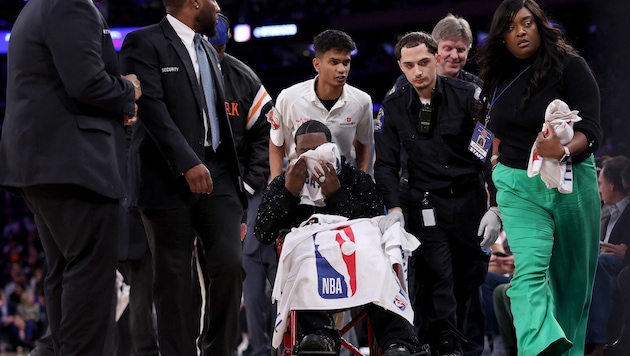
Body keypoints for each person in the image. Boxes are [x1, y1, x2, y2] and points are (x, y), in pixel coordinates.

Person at [0, 0, 141, 354]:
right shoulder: (69, 4)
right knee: (91, 278)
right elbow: (87, 82)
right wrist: (129, 91)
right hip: (75, 164)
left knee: (66, 272)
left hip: (46, 164)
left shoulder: (37, 6)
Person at [119, 0, 247, 354]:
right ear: (193, 3)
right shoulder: (143, 42)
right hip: (166, 173)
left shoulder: (206, 47)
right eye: (212, 0)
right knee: (174, 279)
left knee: (229, 264)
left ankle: (217, 349)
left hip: (217, 170)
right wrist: (187, 162)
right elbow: (152, 109)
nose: (218, 6)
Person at [476, 0, 602, 355]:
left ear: (539, 26)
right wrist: (497, 182)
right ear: (502, 36)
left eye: (527, 23)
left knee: (573, 286)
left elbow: (592, 129)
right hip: (517, 185)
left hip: (571, 180)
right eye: (512, 27)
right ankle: (537, 348)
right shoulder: (496, 78)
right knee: (529, 271)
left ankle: (568, 350)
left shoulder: (570, 66)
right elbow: (490, 134)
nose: (521, 31)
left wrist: (561, 150)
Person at [374, 31, 501, 356]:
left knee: (470, 278)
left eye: (424, 62)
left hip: (470, 202)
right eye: (410, 65)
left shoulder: (468, 95)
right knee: (438, 278)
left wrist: (496, 206)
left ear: (437, 60)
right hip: (425, 205)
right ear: (401, 66)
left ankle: (466, 346)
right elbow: (385, 164)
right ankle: (448, 347)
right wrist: (395, 209)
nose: (418, 71)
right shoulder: (393, 106)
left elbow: (486, 153)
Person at [255, 121, 420, 356]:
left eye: (320, 147)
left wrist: (337, 195)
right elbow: (263, 232)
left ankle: (397, 341)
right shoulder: (284, 182)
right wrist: (289, 194)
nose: (313, 155)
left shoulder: (355, 179)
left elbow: (374, 222)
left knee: (379, 259)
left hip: (357, 261)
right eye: (305, 151)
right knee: (302, 261)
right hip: (309, 265)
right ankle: (319, 334)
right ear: (295, 153)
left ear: (332, 147)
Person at [207, 14, 277, 356]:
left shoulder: (245, 79)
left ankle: (239, 347)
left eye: (221, 48)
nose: (216, 53)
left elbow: (268, 135)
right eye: (210, 47)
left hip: (236, 190)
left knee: (239, 267)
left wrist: (249, 185)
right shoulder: (177, 72)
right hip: (186, 186)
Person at [268, 29, 374, 179]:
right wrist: (275, 181)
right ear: (317, 64)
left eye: (346, 62)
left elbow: (363, 144)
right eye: (334, 62)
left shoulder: (362, 100)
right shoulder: (289, 97)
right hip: (299, 182)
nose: (342, 69)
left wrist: (363, 180)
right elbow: (277, 142)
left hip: (344, 183)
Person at [585, 155, 630, 356]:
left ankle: (597, 342)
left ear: (612, 185)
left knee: (601, 263)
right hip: (603, 267)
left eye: (600, 183)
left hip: (615, 267)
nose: (598, 188)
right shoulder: (605, 211)